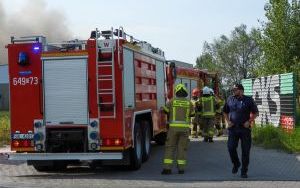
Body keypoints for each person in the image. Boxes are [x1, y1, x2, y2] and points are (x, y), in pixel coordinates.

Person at [223, 83, 258, 178]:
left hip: (245, 129)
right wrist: (228, 121)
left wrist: (249, 121)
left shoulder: (248, 100)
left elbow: (255, 113)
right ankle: (236, 163)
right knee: (231, 148)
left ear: (241, 90)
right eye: (233, 90)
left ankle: (244, 171)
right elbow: (225, 111)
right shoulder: (230, 99)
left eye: (235, 89)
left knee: (245, 151)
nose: (233, 91)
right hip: (233, 129)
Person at [161, 84, 195, 175]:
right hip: (184, 130)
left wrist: (162, 108)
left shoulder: (172, 101)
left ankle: (167, 169)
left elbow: (165, 111)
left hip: (173, 129)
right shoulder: (189, 103)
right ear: (185, 93)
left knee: (170, 148)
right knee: (182, 148)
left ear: (176, 92)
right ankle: (181, 169)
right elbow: (192, 114)